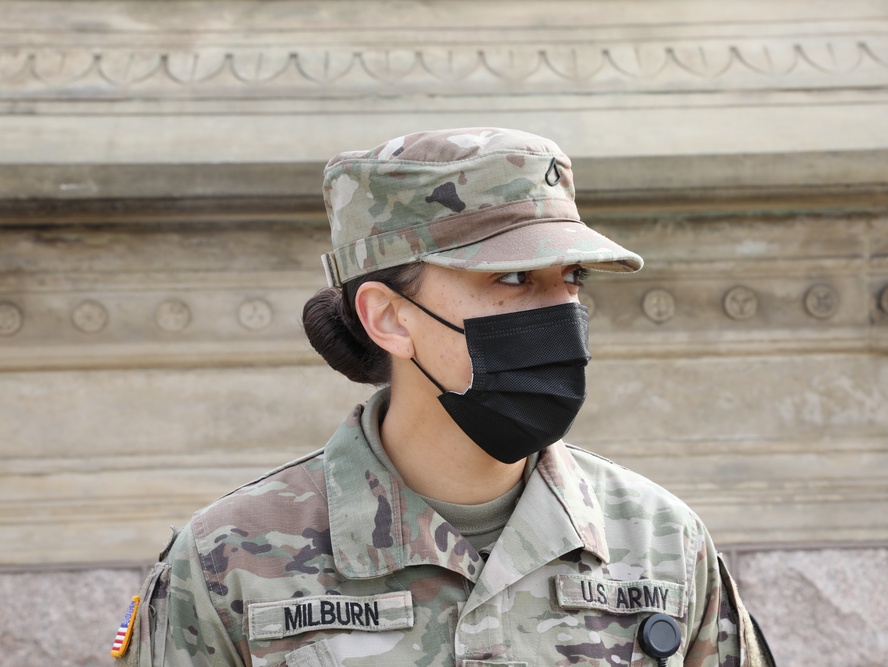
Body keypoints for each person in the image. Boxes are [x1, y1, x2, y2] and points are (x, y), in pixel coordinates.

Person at [112, 127, 774, 666]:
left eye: (569, 277)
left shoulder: (664, 543)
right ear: (390, 317)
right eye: (510, 276)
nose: (560, 313)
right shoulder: (229, 560)